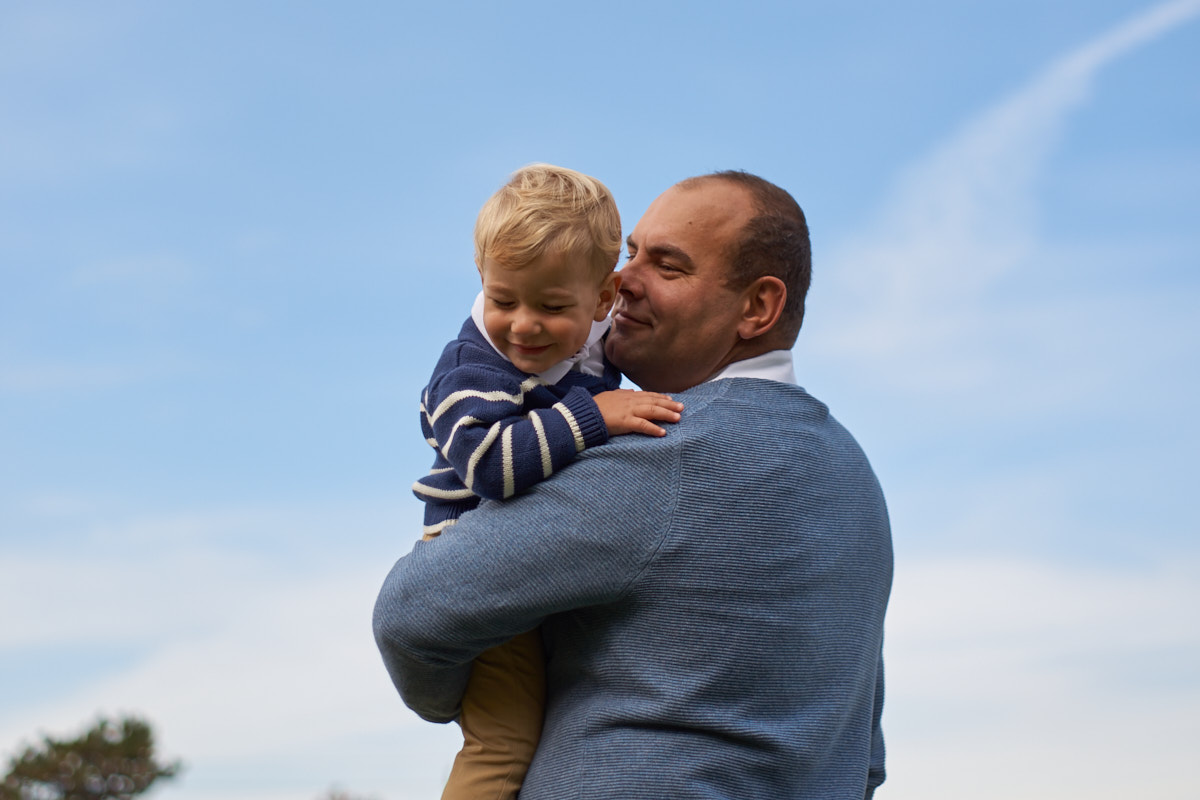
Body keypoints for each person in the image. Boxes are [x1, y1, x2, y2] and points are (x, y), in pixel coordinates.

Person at [376, 170, 894, 799]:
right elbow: (864, 752)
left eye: (669, 267)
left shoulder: (663, 452)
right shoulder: (856, 481)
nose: (624, 284)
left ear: (757, 307)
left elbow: (414, 614)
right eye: (631, 254)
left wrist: (466, 701)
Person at [411, 163, 683, 800]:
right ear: (483, 280)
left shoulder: (594, 340)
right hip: (479, 573)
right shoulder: (470, 370)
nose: (525, 325)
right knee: (502, 744)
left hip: (545, 565)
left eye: (553, 307)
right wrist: (595, 415)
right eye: (504, 300)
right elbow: (491, 466)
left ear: (602, 299)